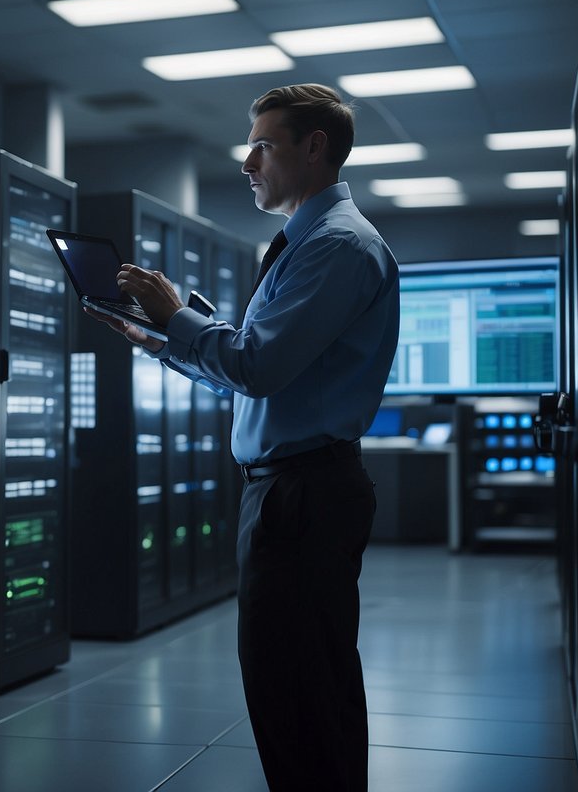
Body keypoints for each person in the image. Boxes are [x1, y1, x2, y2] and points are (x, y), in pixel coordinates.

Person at [88, 83, 399, 791]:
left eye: (261, 144)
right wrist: (160, 338)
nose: (246, 162)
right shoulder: (307, 244)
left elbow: (256, 365)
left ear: (312, 147)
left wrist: (175, 314)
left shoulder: (336, 247)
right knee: (303, 687)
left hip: (303, 492)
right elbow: (253, 372)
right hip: (292, 488)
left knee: (295, 693)